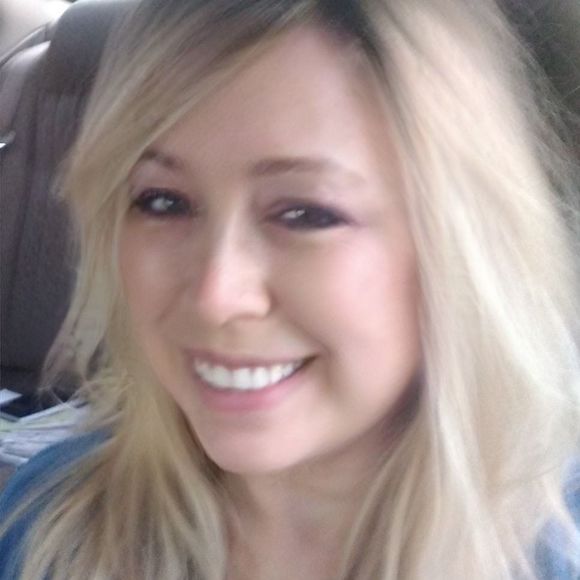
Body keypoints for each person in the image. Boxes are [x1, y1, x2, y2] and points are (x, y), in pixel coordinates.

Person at [1, 0, 580, 578]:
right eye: (163, 201)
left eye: (307, 214)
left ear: (461, 249)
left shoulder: (555, 552)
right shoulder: (47, 523)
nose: (215, 297)